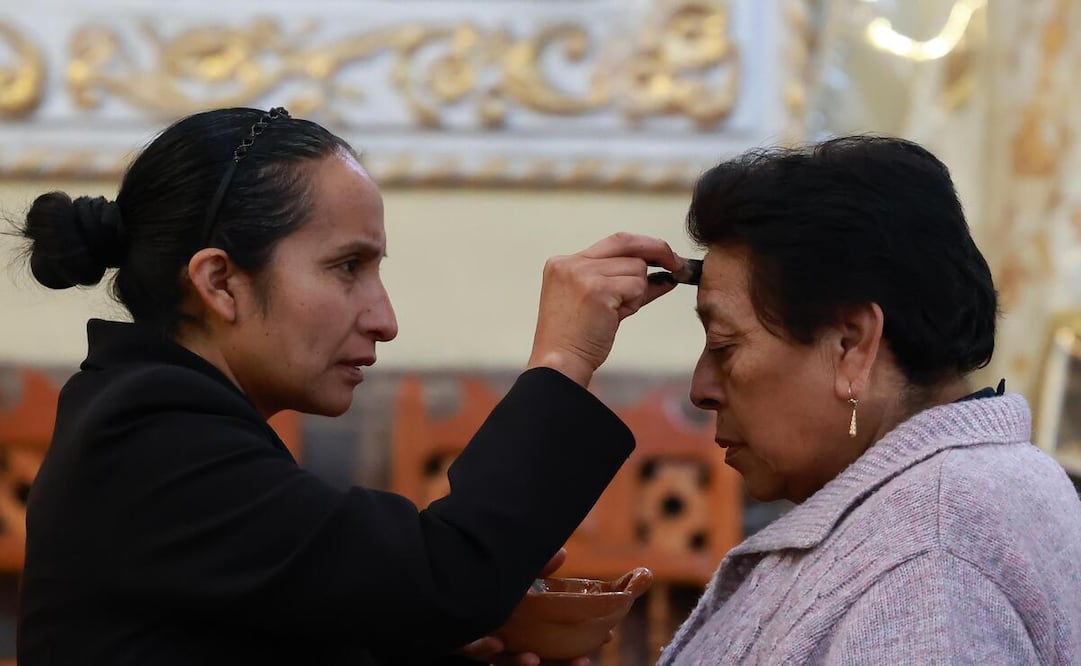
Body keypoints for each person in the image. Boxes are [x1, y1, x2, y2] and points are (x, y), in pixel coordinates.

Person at [13, 107, 687, 665]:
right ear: (220, 282)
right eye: (346, 267)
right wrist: (564, 357)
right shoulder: (149, 437)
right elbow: (447, 578)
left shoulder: (159, 414)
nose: (384, 320)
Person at [659, 136, 1081, 664]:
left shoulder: (927, 565)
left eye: (725, 345)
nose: (702, 388)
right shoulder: (970, 491)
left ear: (852, 344)